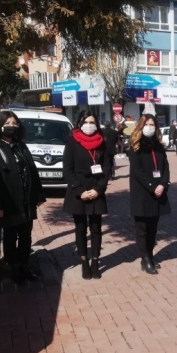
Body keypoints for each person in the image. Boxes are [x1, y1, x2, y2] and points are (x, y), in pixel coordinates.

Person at [0, 111, 46, 283]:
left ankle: (24, 266)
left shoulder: (20, 146)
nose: (12, 126)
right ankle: (14, 268)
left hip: (26, 200)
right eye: (7, 123)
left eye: (14, 123)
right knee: (10, 237)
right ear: (0, 125)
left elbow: (32, 170)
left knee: (26, 236)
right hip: (8, 201)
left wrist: (38, 194)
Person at [62, 110, 110, 280]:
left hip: (96, 190)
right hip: (79, 191)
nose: (89, 126)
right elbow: (67, 170)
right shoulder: (72, 142)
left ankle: (95, 262)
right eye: (86, 122)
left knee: (96, 229)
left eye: (92, 122)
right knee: (81, 229)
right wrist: (79, 190)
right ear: (80, 124)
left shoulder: (102, 142)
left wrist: (98, 189)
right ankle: (84, 263)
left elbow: (107, 168)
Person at [128, 114, 171, 275]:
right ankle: (144, 258)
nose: (150, 128)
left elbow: (165, 167)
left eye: (153, 125)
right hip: (142, 192)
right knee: (142, 228)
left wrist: (163, 184)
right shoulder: (135, 146)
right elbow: (137, 171)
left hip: (158, 192)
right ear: (141, 126)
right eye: (147, 124)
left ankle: (150, 255)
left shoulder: (159, 146)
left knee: (153, 228)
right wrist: (153, 186)